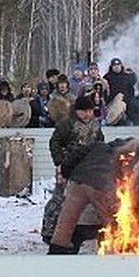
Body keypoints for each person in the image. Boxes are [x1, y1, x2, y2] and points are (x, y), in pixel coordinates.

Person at [42, 94, 105, 253]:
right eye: (83, 111)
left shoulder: (96, 126)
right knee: (59, 200)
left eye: (90, 111)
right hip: (68, 167)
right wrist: (59, 162)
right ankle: (50, 231)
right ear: (77, 111)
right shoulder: (66, 124)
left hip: (90, 169)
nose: (87, 114)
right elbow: (54, 142)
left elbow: (101, 144)